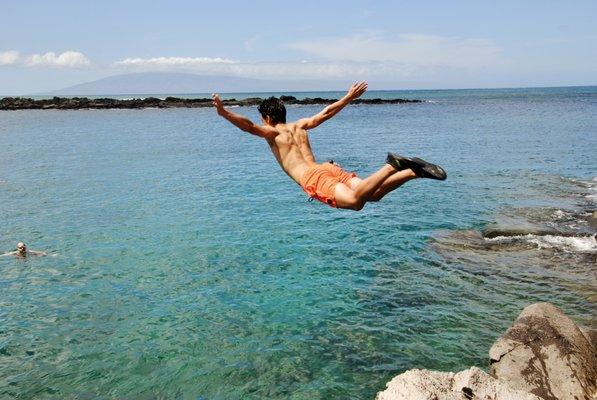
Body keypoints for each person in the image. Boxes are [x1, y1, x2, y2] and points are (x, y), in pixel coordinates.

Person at [212, 81, 446, 211]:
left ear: (267, 118)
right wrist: (347, 98)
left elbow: (248, 126)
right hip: (328, 168)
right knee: (371, 195)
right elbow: (325, 113)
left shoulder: (272, 132)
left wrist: (224, 113)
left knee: (356, 203)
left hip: (313, 177)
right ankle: (414, 171)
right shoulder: (301, 126)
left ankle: (391, 165)